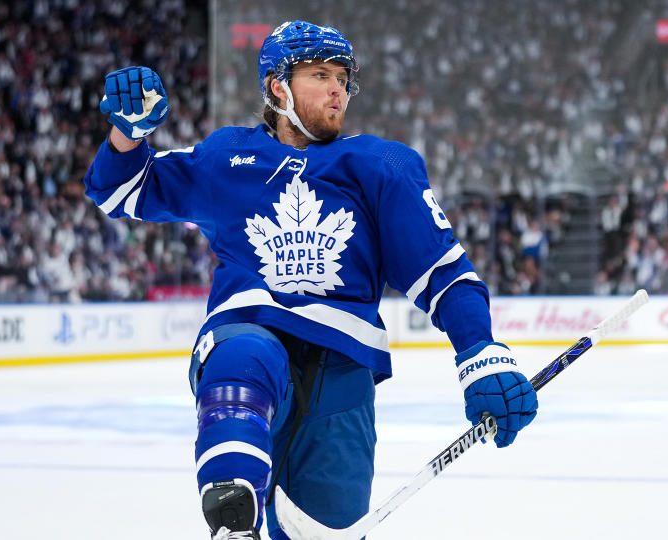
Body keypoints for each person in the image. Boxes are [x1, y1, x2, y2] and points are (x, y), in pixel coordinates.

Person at [83, 20, 538, 540]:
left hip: (343, 374)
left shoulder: (381, 165)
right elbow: (121, 190)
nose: (337, 89)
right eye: (320, 74)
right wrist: (128, 132)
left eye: (343, 78)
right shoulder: (227, 157)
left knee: (329, 527)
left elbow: (444, 274)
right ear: (278, 87)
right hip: (251, 332)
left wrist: (482, 357)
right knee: (242, 358)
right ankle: (234, 518)